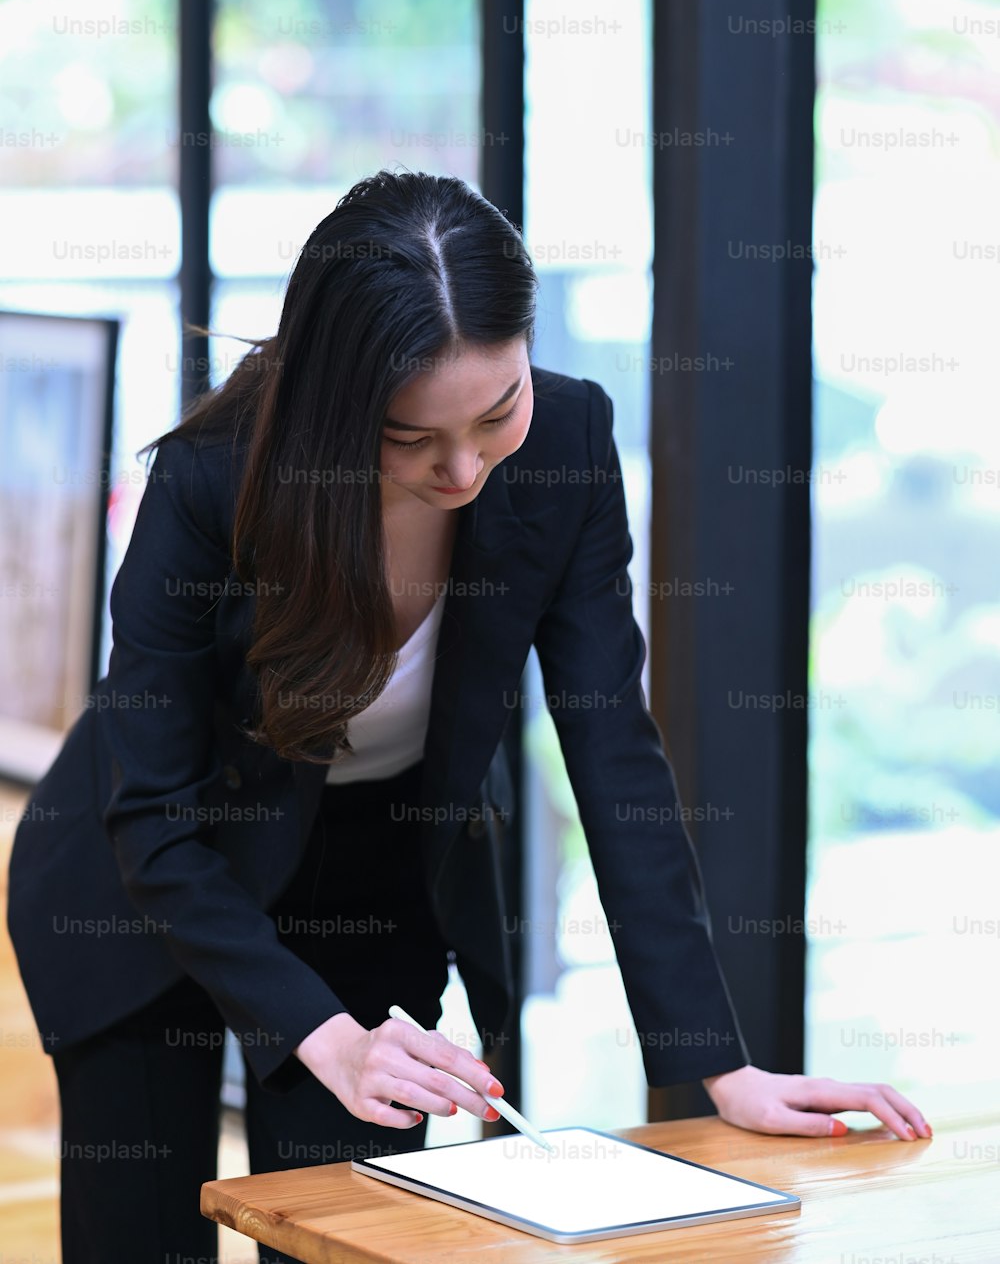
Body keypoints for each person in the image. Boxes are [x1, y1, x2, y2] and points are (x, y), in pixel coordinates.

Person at [7, 169, 930, 1264]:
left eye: (497, 414)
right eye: (409, 439)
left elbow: (613, 756)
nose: (462, 468)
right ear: (334, 406)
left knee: (347, 1238)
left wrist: (717, 1064)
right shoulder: (216, 481)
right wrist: (315, 1035)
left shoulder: (569, 440)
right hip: (152, 883)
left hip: (364, 874)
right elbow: (152, 809)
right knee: (143, 1242)